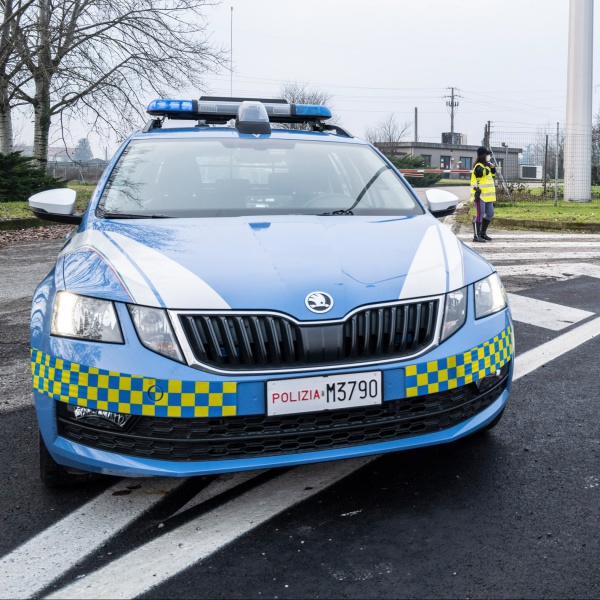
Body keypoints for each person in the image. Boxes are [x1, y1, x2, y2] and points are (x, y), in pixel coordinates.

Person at [470, 146, 497, 242]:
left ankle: (483, 233)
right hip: (480, 195)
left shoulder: (486, 166)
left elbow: (492, 175)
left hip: (488, 196)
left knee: (490, 213)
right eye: (487, 155)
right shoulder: (478, 166)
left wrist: (493, 168)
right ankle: (476, 236)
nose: (489, 156)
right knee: (480, 214)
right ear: (483, 155)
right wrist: (488, 165)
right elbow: (482, 173)